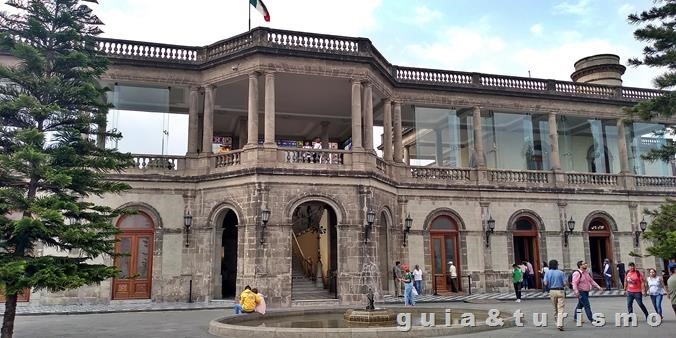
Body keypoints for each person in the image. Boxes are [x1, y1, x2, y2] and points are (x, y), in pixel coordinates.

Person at [544, 259, 567, 331]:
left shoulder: (547, 273)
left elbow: (545, 283)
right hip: (560, 290)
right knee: (561, 308)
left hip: (552, 290)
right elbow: (564, 283)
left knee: (554, 308)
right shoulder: (561, 272)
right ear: (557, 265)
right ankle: (560, 324)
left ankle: (556, 322)